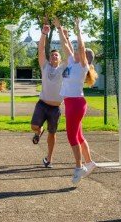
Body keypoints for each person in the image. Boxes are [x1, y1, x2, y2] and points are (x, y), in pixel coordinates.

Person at [54, 17, 98, 185]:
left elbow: (79, 45)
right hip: (73, 103)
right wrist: (59, 29)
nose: (77, 52)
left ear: (85, 56)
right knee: (78, 135)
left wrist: (78, 29)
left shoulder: (82, 66)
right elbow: (66, 45)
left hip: (76, 104)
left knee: (72, 136)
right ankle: (89, 162)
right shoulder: (73, 61)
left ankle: (79, 167)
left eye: (81, 52)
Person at [30, 21, 66, 168]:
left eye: (56, 55)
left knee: (52, 134)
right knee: (34, 126)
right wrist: (44, 33)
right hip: (42, 104)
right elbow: (40, 50)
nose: (54, 57)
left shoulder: (63, 68)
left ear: (60, 58)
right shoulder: (45, 66)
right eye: (52, 56)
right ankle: (39, 131)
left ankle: (49, 159)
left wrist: (61, 32)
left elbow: (68, 51)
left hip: (55, 108)